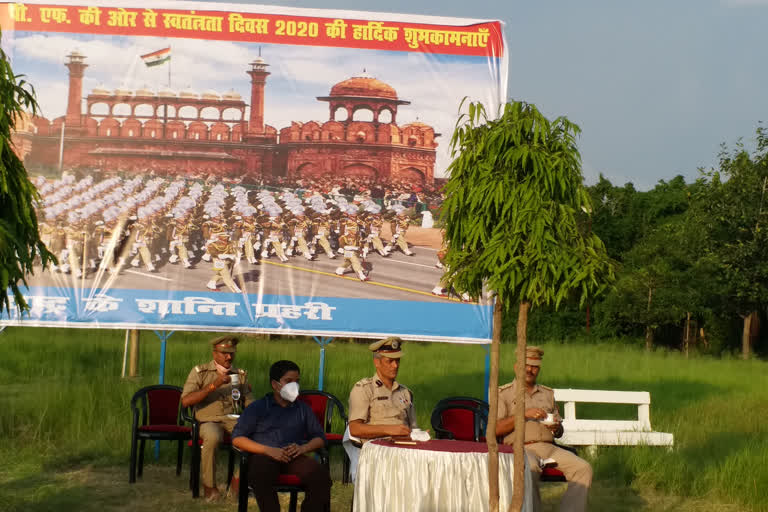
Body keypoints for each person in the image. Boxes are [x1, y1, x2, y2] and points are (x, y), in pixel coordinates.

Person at [496, 346, 592, 512]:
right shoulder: (503, 393)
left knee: (583, 468)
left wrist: (556, 427)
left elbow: (559, 430)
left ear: (538, 369)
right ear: (516, 367)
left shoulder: (548, 394)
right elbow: (496, 429)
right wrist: (524, 414)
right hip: (521, 448)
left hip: (550, 448)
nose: (529, 370)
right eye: (526, 365)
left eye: (534, 366)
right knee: (530, 469)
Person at [232, 360, 331, 512]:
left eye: (297, 381)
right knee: (261, 475)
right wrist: (267, 450)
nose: (294, 386)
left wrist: (303, 448)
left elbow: (320, 437)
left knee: (321, 477)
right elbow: (238, 438)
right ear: (275, 384)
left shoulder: (302, 409)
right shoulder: (258, 407)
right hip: (264, 455)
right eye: (289, 381)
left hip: (294, 456)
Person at [181, 335, 254, 501]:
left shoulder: (240, 375)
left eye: (232, 353)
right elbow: (186, 401)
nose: (229, 357)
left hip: (234, 420)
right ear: (214, 353)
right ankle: (210, 487)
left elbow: (250, 402)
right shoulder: (200, 372)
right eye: (224, 353)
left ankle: (237, 484)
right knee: (213, 437)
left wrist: (254, 409)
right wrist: (214, 385)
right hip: (209, 419)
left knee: (256, 438)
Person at [345, 337, 417, 481]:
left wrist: (419, 435)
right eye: (390, 361)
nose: (395, 366)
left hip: (404, 452)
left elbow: (413, 428)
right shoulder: (365, 389)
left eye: (398, 361)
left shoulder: (405, 392)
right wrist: (390, 430)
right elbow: (355, 429)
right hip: (376, 453)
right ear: (377, 362)